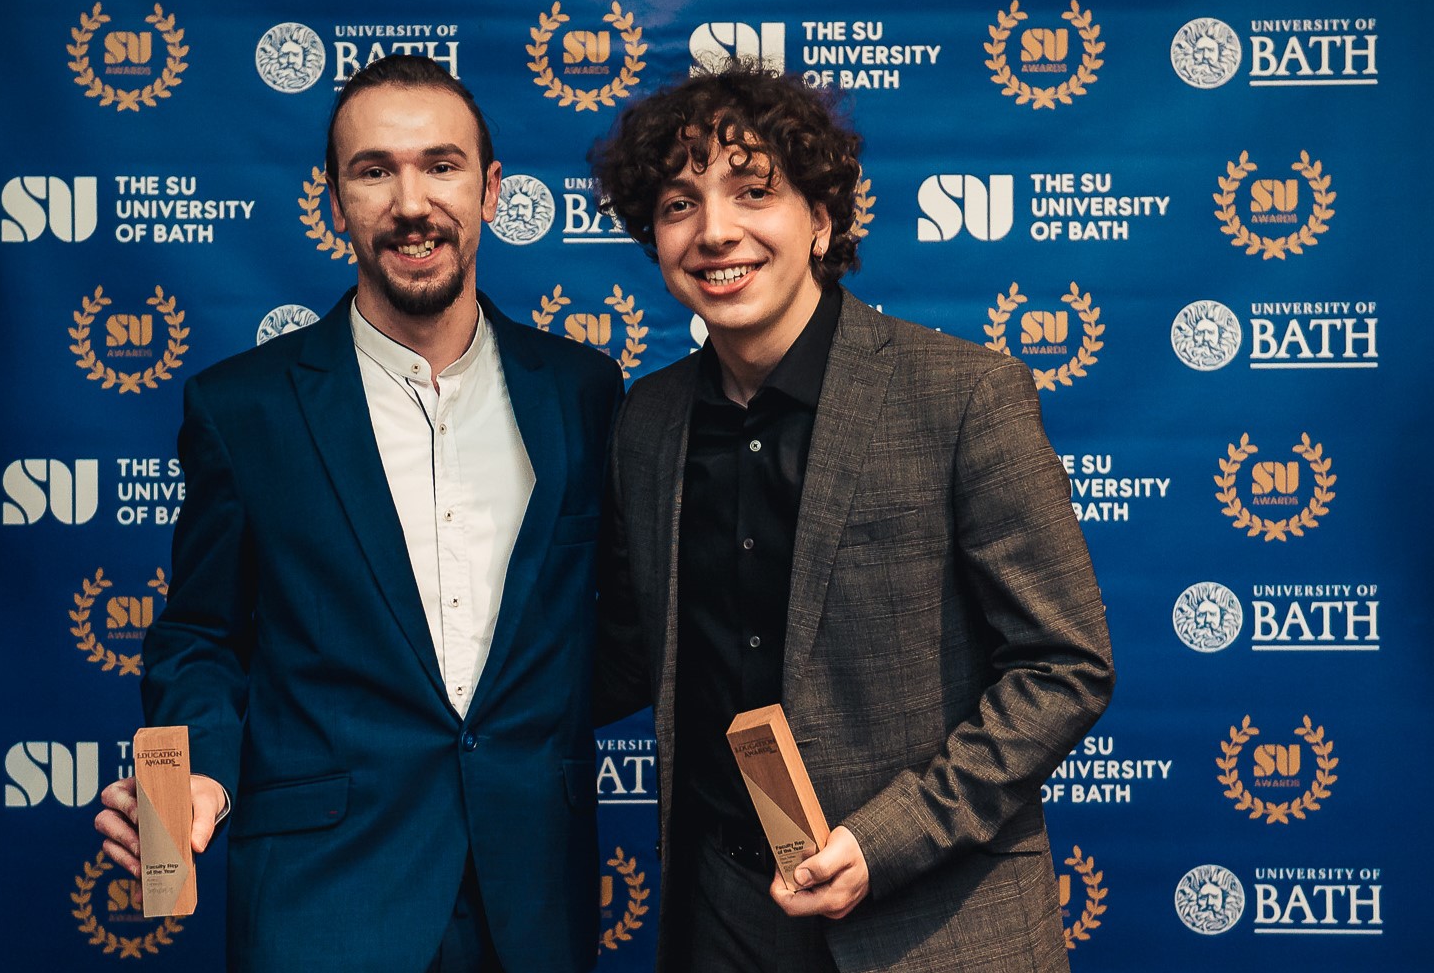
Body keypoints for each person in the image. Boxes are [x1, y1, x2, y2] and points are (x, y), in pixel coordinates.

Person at [94, 54, 621, 973]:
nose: (411, 202)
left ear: (491, 189)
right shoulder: (243, 408)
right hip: (322, 897)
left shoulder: (582, 393)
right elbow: (199, 636)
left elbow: (620, 624)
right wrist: (203, 770)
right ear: (332, 200)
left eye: (441, 166)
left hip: (534, 899)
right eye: (374, 171)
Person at [588, 65, 1115, 972]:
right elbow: (629, 654)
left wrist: (888, 839)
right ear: (655, 240)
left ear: (821, 220)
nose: (716, 230)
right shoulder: (648, 421)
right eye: (680, 205)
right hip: (721, 913)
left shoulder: (961, 395)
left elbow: (1063, 666)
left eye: (754, 192)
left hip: (932, 920)